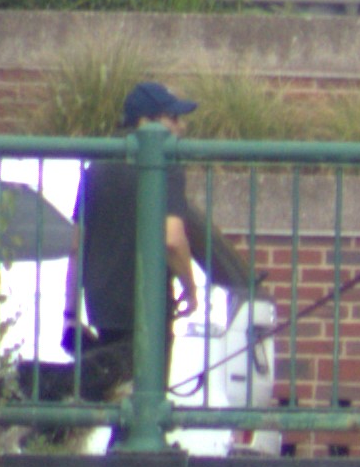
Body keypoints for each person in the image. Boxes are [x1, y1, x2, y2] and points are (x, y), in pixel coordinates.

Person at [63, 80, 254, 434]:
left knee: (116, 403)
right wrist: (190, 286)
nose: (180, 128)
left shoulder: (97, 168)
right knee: (146, 409)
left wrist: (71, 312)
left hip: (103, 309)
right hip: (147, 308)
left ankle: (116, 463)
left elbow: (77, 244)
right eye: (172, 118)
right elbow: (172, 240)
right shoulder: (164, 166)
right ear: (144, 122)